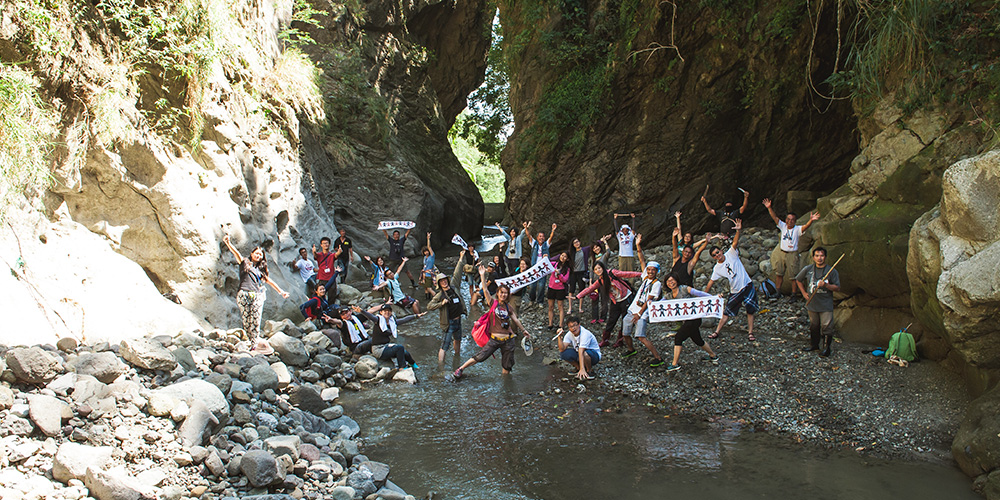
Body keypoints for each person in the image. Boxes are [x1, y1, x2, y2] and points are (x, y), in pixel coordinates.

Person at [453, 277, 530, 378]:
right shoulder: (493, 303)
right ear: (497, 293)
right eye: (501, 292)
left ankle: (504, 384)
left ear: (508, 294)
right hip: (495, 339)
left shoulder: (508, 307)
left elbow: (515, 319)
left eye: (505, 293)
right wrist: (482, 275)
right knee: (480, 356)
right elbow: (485, 290)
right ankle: (461, 368)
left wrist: (524, 330)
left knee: (507, 365)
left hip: (508, 340)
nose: (503, 295)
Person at [223, 235, 289, 350]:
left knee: (256, 319)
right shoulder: (245, 263)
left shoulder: (260, 271)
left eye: (260, 255)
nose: (258, 256)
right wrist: (229, 243)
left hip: (256, 295)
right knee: (246, 319)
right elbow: (236, 254)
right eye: (256, 253)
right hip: (243, 294)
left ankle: (254, 343)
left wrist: (281, 292)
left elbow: (270, 281)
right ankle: (250, 340)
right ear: (252, 253)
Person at [704, 219, 759, 341]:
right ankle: (717, 331)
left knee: (750, 310)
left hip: (747, 285)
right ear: (713, 258)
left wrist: (738, 230)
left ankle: (750, 333)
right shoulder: (717, 268)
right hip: (735, 290)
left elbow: (734, 242)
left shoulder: (731, 254)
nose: (717, 255)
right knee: (727, 312)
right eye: (715, 255)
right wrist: (705, 295)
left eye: (718, 252)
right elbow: (711, 282)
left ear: (721, 251)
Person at [621, 236, 666, 366]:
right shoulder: (645, 279)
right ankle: (631, 350)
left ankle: (658, 358)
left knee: (641, 336)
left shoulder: (656, 284)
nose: (650, 271)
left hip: (643, 312)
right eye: (649, 269)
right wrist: (638, 245)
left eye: (653, 270)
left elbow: (649, 300)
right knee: (625, 333)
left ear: (657, 272)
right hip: (633, 309)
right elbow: (641, 259)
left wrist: (639, 314)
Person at [575, 260, 642, 347]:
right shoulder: (600, 281)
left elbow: (627, 274)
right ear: (594, 271)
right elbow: (590, 288)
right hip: (615, 301)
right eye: (596, 269)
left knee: (624, 320)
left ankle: (620, 340)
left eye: (599, 268)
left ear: (603, 268)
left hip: (626, 298)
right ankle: (605, 339)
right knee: (611, 320)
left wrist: (641, 274)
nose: (598, 270)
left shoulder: (612, 273)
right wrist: (578, 296)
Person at [662, 272, 719, 372]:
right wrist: (651, 304)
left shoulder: (684, 288)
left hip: (694, 319)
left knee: (678, 338)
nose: (671, 283)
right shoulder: (669, 295)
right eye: (668, 281)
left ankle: (675, 364)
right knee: (698, 340)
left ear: (676, 280)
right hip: (686, 321)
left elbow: (699, 294)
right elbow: (660, 304)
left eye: (672, 280)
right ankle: (713, 356)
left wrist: (713, 297)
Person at [763, 198, 821, 295]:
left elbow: (805, 226)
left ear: (795, 221)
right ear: (786, 220)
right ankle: (778, 292)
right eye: (788, 219)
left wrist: (811, 220)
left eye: (792, 220)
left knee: (793, 276)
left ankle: (793, 294)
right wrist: (769, 208)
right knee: (779, 274)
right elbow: (774, 218)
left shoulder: (797, 229)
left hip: (792, 254)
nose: (790, 221)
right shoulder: (783, 226)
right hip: (782, 253)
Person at [795, 247, 841, 357]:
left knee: (826, 326)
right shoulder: (808, 269)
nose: (819, 258)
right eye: (817, 256)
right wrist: (803, 293)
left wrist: (826, 285)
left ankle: (826, 348)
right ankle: (814, 345)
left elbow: (837, 288)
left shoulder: (832, 271)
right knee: (814, 325)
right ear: (813, 257)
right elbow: (798, 280)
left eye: (821, 256)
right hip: (812, 303)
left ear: (825, 257)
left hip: (825, 304)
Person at [354, 304, 423, 372]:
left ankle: (413, 364)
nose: (387, 312)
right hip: (378, 350)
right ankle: (402, 367)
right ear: (381, 312)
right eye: (385, 311)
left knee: (404, 352)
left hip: (386, 346)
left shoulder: (392, 322)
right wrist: (361, 311)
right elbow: (370, 316)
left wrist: (416, 315)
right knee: (399, 348)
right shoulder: (378, 320)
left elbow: (404, 319)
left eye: (389, 311)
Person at [427, 257, 467, 363]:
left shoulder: (454, 287)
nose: (444, 282)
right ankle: (440, 366)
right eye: (441, 281)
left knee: (458, 339)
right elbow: (429, 306)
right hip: (449, 323)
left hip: (458, 321)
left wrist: (461, 258)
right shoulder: (440, 295)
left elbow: (457, 273)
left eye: (445, 280)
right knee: (444, 345)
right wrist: (441, 303)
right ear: (439, 284)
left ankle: (456, 359)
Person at [557, 315, 601, 380]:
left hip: (593, 355)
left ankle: (589, 370)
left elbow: (581, 350)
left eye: (575, 325)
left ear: (579, 325)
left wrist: (582, 369)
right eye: (571, 326)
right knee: (564, 354)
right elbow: (561, 349)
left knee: (584, 353)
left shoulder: (585, 334)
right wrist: (559, 337)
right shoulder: (569, 334)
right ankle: (578, 368)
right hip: (579, 353)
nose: (573, 328)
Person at [527, 223, 556, 307]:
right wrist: (526, 228)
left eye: (542, 236)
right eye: (540, 236)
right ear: (537, 237)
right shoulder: (534, 244)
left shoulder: (546, 245)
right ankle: (531, 300)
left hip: (543, 269)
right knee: (532, 285)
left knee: (541, 285)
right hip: (534, 268)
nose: (541, 238)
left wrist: (553, 230)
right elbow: (528, 235)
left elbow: (551, 238)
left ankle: (540, 301)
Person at [588, 235, 612, 324]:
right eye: (594, 248)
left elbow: (609, 252)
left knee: (604, 299)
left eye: (597, 247)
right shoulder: (592, 259)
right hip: (595, 281)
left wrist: (605, 242)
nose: (596, 249)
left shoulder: (604, 256)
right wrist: (590, 281)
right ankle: (594, 317)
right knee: (594, 299)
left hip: (603, 280)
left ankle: (603, 317)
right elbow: (591, 270)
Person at [546, 251, 572, 330]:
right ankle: (550, 324)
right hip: (551, 287)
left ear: (567, 259)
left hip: (560, 289)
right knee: (550, 306)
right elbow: (547, 262)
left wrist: (559, 274)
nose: (562, 257)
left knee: (560, 307)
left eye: (565, 256)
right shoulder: (555, 264)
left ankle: (561, 325)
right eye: (562, 255)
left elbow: (565, 280)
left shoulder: (567, 269)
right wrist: (545, 257)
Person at [567, 238, 590, 314]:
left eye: (577, 242)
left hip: (582, 272)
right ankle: (570, 308)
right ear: (573, 245)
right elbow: (560, 256)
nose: (576, 243)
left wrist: (602, 240)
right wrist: (549, 259)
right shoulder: (571, 253)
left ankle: (580, 307)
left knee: (581, 289)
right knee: (571, 289)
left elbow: (592, 246)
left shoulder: (584, 250)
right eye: (574, 243)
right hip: (573, 273)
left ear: (580, 242)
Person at [420, 232, 437, 300]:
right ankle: (427, 299)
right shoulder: (425, 258)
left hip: (429, 274)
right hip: (425, 274)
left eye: (427, 251)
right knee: (426, 288)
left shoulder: (432, 256)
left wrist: (428, 238)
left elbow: (429, 247)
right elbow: (424, 265)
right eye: (425, 252)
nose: (426, 252)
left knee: (429, 288)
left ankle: (436, 297)